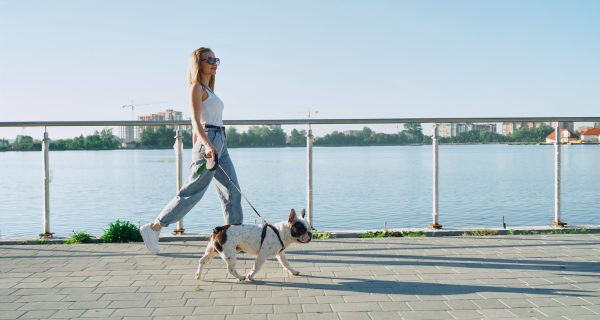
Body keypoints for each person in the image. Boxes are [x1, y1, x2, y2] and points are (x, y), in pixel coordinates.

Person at [140, 47, 244, 254]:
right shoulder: (196, 88)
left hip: (220, 140)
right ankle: (154, 227)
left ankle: (235, 237)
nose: (214, 63)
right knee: (193, 192)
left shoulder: (210, 89)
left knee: (232, 190)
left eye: (216, 59)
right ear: (199, 63)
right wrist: (205, 147)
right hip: (209, 141)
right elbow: (196, 123)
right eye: (209, 59)